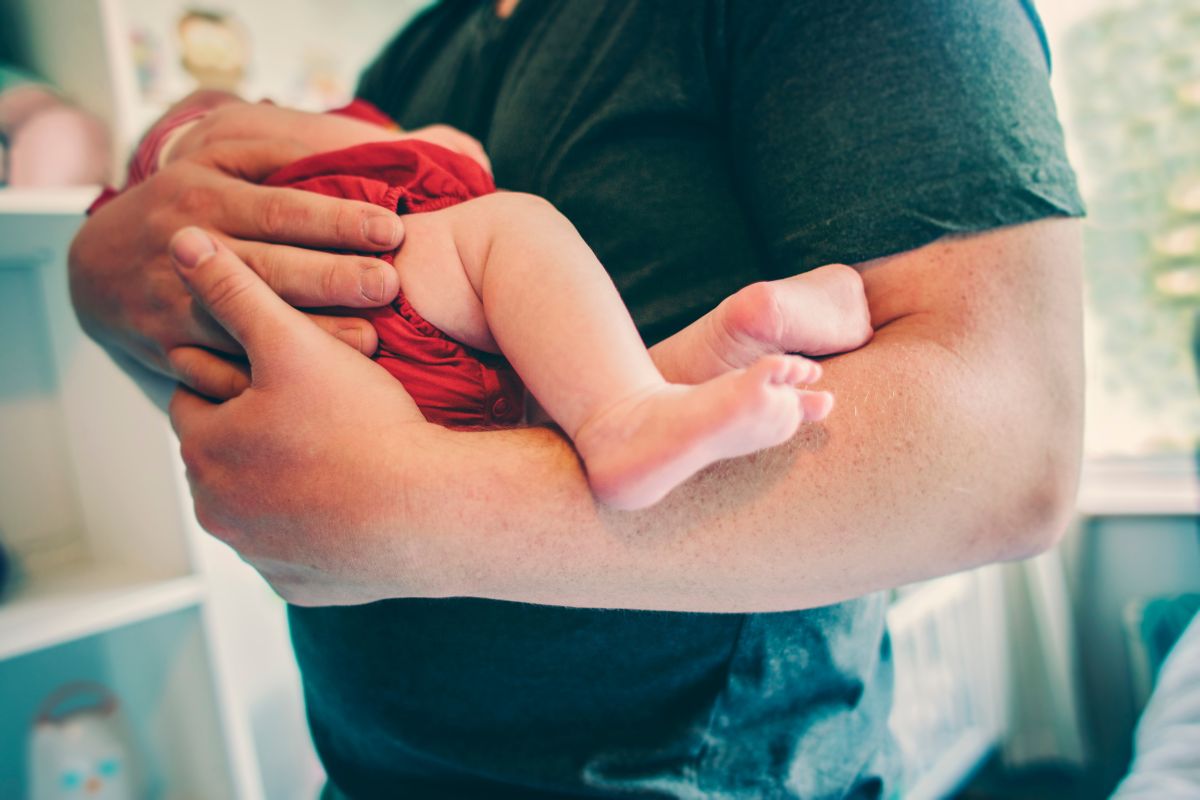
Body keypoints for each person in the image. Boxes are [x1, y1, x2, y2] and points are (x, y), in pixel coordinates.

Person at [68, 1, 1086, 797]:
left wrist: (412, 505)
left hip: (708, 782)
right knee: (534, 335)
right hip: (372, 772)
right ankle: (667, 384)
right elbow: (278, 414)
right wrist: (105, 281)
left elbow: (1010, 455)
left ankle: (646, 401)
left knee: (531, 302)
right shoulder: (422, 45)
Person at [99, 95, 864, 511]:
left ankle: (692, 372)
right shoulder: (247, 143)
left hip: (333, 403)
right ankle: (633, 412)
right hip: (373, 312)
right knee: (509, 233)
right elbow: (452, 150)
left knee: (543, 408)